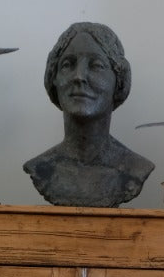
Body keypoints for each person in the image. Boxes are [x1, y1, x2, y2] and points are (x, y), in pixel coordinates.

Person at [24, 22, 154, 207]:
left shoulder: (135, 169)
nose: (79, 76)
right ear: (54, 78)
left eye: (96, 65)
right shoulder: (41, 168)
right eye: (68, 64)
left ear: (119, 81)